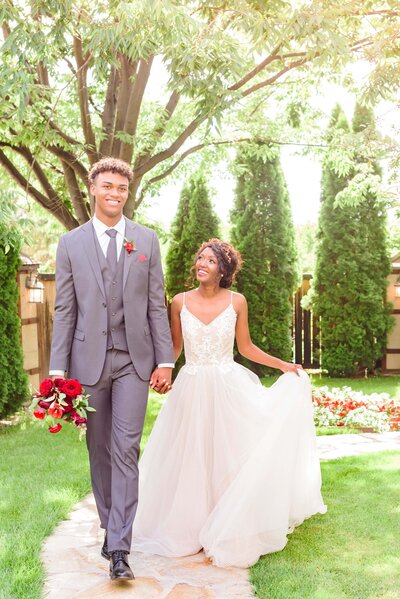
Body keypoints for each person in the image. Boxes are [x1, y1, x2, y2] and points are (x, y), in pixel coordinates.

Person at [131, 238, 326, 568]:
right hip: (191, 386)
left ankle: (227, 524)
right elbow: (175, 349)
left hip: (227, 386)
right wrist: (160, 369)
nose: (201, 263)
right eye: (199, 258)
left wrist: (283, 365)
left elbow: (246, 347)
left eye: (209, 260)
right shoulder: (178, 302)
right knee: (190, 456)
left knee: (228, 454)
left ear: (223, 269)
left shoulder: (237, 302)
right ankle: (190, 527)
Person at [49, 157, 174, 580]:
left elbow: (156, 303)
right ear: (93, 189)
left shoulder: (147, 241)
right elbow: (65, 310)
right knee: (99, 450)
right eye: (107, 186)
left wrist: (165, 359)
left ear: (127, 192)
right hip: (87, 364)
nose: (114, 194)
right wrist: (56, 371)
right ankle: (109, 524)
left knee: (125, 449)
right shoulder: (70, 244)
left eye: (121, 188)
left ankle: (120, 547)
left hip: (134, 363)